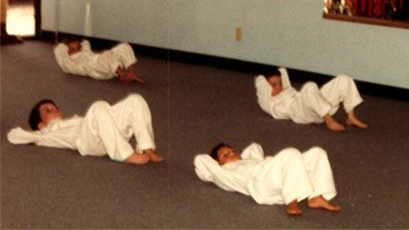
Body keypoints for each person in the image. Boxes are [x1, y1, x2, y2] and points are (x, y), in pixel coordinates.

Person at [6, 93, 164, 165]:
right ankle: (124, 154)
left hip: (106, 132)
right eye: (46, 110)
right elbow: (14, 136)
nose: (52, 109)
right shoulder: (46, 134)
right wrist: (34, 133)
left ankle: (146, 147)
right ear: (41, 124)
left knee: (135, 100)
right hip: (87, 142)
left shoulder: (75, 118)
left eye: (53, 107)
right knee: (98, 107)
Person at [194, 142, 340, 216]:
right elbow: (200, 161)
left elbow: (255, 147)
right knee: (290, 153)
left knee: (317, 152)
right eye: (224, 155)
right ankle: (292, 200)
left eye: (232, 151)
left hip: (276, 177)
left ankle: (316, 196)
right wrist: (216, 164)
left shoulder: (249, 159)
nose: (231, 154)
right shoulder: (222, 172)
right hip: (260, 185)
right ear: (218, 162)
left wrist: (246, 157)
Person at [255, 67, 368, 132]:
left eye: (280, 83)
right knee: (309, 87)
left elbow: (282, 71)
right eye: (274, 85)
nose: (279, 87)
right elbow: (261, 82)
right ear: (265, 87)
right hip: (299, 112)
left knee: (344, 79)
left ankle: (351, 117)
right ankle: (329, 120)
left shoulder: (286, 88)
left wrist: (279, 79)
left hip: (312, 103)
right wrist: (268, 87)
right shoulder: (270, 103)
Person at [53, 37, 144, 82]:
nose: (77, 51)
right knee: (107, 55)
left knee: (124, 46)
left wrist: (80, 45)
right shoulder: (70, 63)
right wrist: (65, 48)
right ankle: (122, 75)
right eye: (72, 50)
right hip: (94, 68)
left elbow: (85, 42)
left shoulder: (85, 51)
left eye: (78, 48)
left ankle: (130, 71)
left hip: (101, 61)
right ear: (66, 52)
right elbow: (59, 50)